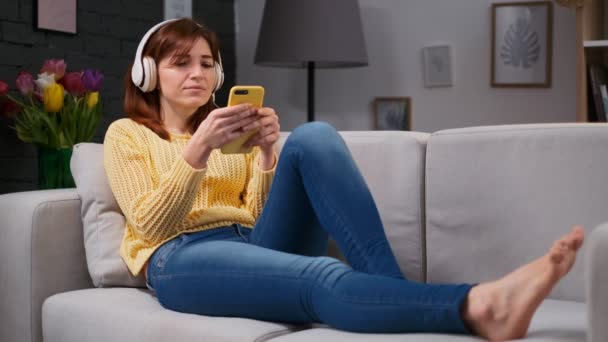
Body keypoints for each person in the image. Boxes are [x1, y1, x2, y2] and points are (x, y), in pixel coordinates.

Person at [104, 18, 585, 341]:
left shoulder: (228, 132)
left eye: (207, 63)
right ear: (148, 73)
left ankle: (389, 294)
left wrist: (268, 154)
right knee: (321, 276)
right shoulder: (126, 134)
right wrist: (197, 149)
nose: (198, 74)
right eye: (181, 63)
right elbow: (151, 225)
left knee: (312, 136)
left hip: (249, 244)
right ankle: (477, 305)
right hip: (180, 258)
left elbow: (253, 217)